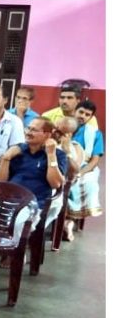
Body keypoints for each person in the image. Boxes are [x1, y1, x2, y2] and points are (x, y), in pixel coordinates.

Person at [0, 117, 68, 213]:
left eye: (34, 130)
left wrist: (51, 155)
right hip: (8, 200)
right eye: (28, 128)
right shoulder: (17, 150)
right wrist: (6, 158)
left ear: (47, 135)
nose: (28, 133)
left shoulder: (58, 154)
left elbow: (55, 184)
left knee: (16, 218)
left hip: (33, 205)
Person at [65, 100, 105, 237]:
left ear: (91, 117)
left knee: (89, 183)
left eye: (87, 114)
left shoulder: (95, 134)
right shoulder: (64, 127)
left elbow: (94, 161)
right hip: (62, 163)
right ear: (74, 111)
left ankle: (70, 220)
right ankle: (62, 219)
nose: (83, 116)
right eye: (81, 112)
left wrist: (80, 173)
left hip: (84, 168)